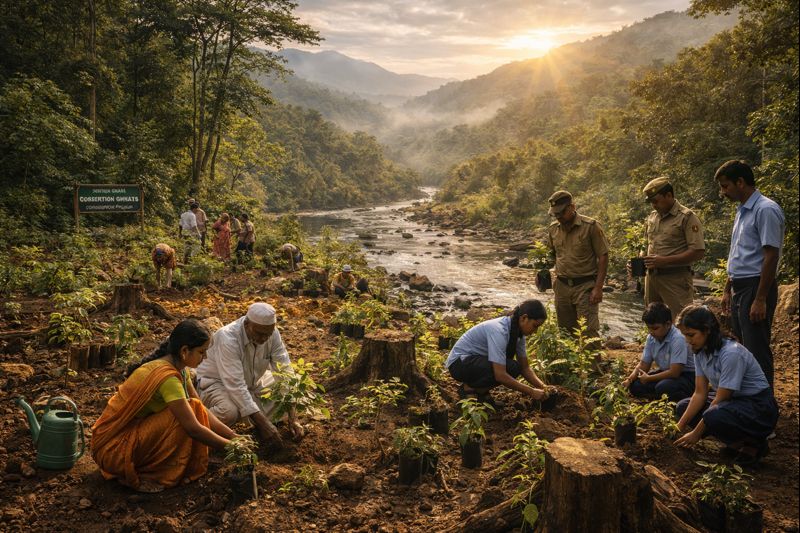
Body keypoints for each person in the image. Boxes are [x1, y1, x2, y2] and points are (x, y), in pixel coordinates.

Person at [91, 320, 237, 492]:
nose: (204, 357)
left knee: (193, 407)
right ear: (184, 351)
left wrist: (233, 436)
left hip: (124, 440)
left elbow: (201, 408)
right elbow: (193, 429)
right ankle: (150, 473)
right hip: (113, 451)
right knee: (183, 415)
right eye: (201, 352)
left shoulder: (179, 369)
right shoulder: (168, 379)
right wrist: (232, 447)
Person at [674, 305, 778, 465]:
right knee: (683, 407)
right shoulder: (700, 351)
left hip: (758, 407)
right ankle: (737, 443)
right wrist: (678, 427)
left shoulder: (731, 353)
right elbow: (700, 393)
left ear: (707, 330)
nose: (688, 341)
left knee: (713, 415)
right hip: (734, 403)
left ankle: (755, 443)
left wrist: (696, 434)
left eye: (691, 335)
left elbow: (721, 399)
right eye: (685, 336)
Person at [715, 160, 785, 388]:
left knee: (756, 348)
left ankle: (764, 402)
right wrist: (727, 289)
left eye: (725, 186)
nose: (723, 192)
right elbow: (738, 253)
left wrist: (761, 298)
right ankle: (748, 397)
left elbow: (771, 255)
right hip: (740, 285)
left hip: (756, 285)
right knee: (742, 347)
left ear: (740, 182)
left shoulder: (765, 209)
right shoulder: (742, 210)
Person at [195, 303, 304, 445]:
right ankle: (196, 423)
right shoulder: (228, 338)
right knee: (229, 412)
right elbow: (235, 385)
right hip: (217, 384)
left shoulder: (272, 333)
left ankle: (250, 416)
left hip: (253, 384)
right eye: (259, 333)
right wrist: (263, 424)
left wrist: (293, 417)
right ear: (246, 324)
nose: (264, 338)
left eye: (268, 334)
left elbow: (284, 370)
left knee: (297, 386)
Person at [445, 299, 554, 408]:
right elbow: (500, 375)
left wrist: (544, 387)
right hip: (459, 364)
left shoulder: (518, 334)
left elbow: (525, 368)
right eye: (535, 326)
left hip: (476, 362)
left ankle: (480, 392)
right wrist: (531, 391)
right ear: (524, 318)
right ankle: (468, 389)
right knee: (509, 368)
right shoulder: (499, 330)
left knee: (514, 367)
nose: (535, 331)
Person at [546, 190, 609, 340]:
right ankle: (570, 357)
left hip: (585, 286)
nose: (558, 217)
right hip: (561, 286)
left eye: (561, 213)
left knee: (588, 332)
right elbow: (550, 255)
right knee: (565, 332)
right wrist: (543, 272)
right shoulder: (553, 229)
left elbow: (603, 256)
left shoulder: (591, 226)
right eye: (555, 214)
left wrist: (598, 287)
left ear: (572, 207)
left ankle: (592, 357)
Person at [641, 177, 705, 320]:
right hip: (652, 279)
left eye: (656, 201)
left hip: (676, 279)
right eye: (651, 202)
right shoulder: (652, 217)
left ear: (669, 195)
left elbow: (698, 252)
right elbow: (648, 244)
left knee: (681, 321)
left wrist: (665, 260)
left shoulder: (687, 217)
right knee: (653, 322)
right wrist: (640, 260)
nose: (653, 205)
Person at [622, 302, 695, 402]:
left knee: (664, 387)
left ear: (668, 324)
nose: (651, 332)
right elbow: (644, 364)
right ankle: (660, 395)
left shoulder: (678, 339)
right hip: (667, 373)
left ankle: (684, 397)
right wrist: (629, 380)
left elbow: (675, 372)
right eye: (649, 328)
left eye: (655, 328)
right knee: (635, 385)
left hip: (687, 376)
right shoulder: (651, 338)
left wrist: (649, 378)